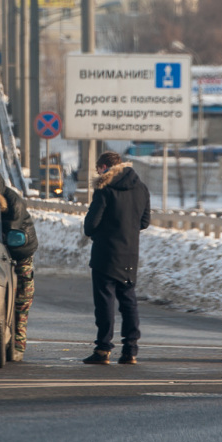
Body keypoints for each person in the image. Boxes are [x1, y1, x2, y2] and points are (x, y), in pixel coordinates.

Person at [83, 151, 150, 365]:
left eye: (98, 169)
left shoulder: (105, 189)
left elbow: (90, 225)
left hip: (105, 255)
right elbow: (145, 221)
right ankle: (130, 350)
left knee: (105, 302)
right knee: (129, 301)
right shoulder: (141, 188)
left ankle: (103, 349)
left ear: (103, 167)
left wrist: (101, 232)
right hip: (130, 254)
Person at [0, 172, 39, 361]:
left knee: (22, 298)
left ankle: (18, 346)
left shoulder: (13, 203)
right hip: (5, 252)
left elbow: (7, 232)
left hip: (22, 252)